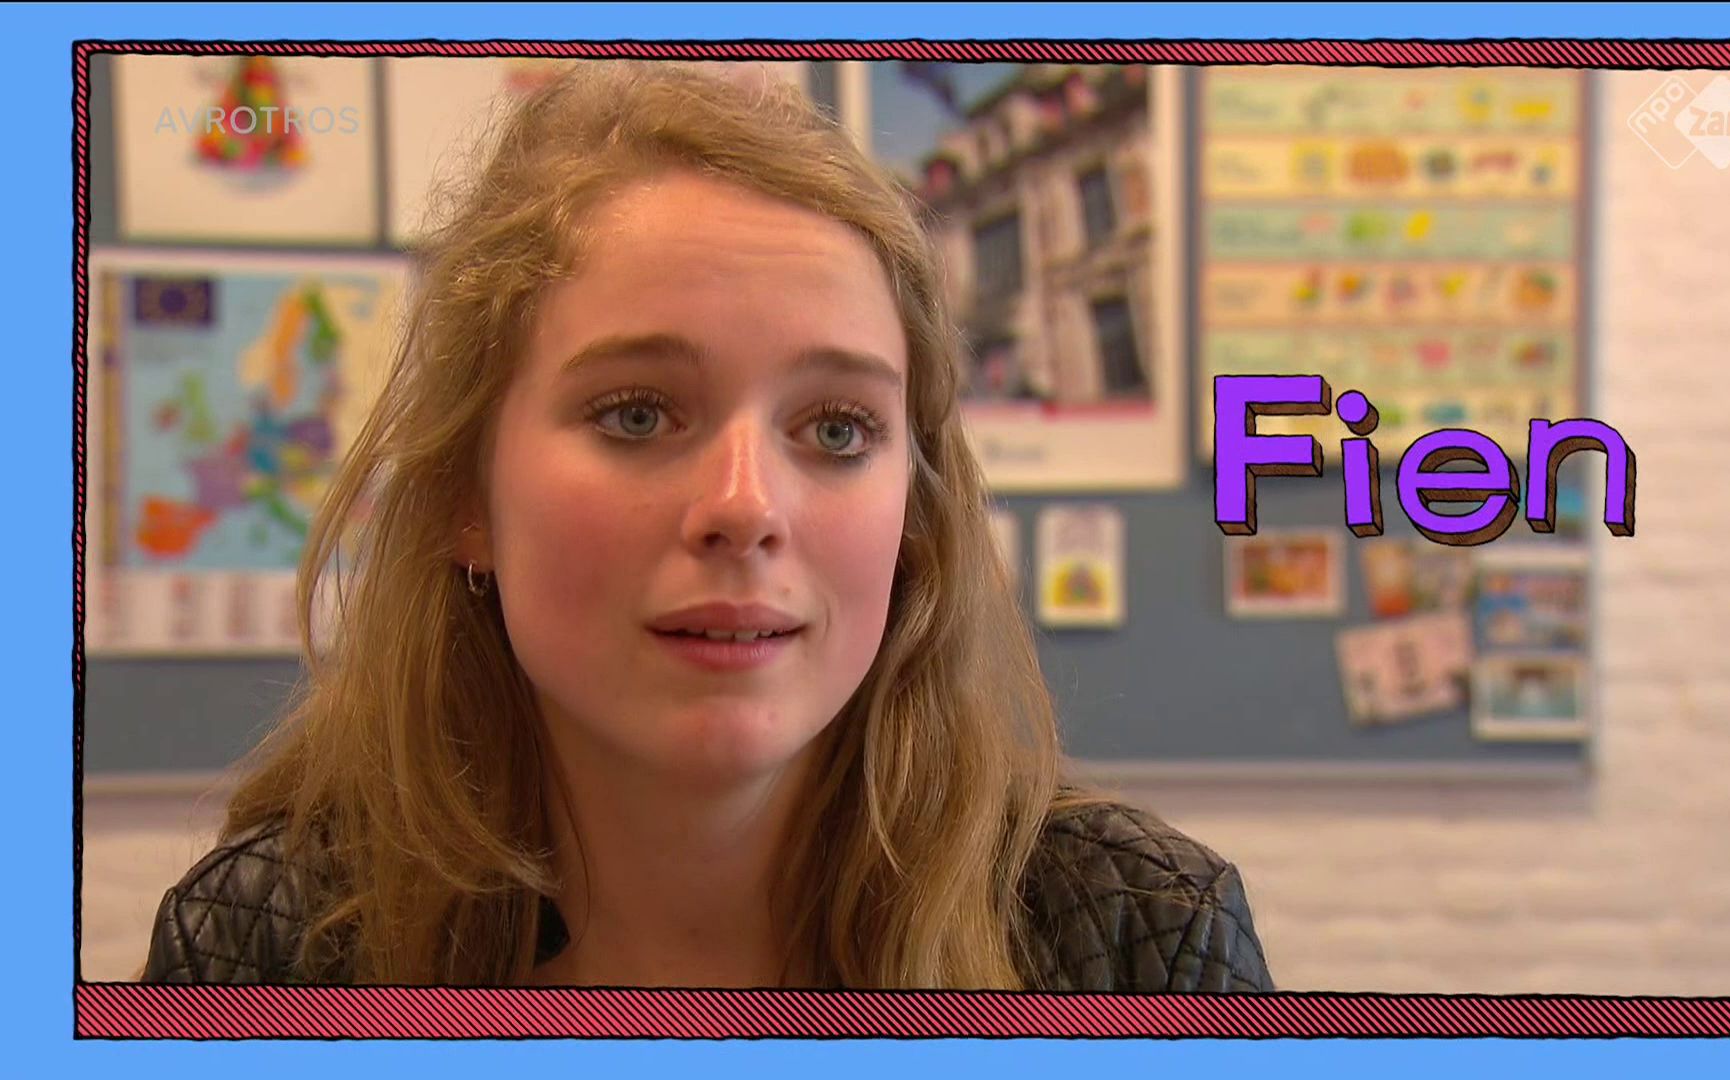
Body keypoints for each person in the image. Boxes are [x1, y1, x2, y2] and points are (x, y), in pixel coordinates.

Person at [137, 61, 1272, 992]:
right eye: (636, 414)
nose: (746, 506)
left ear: (915, 518)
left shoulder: (1139, 940)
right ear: (463, 501)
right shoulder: (268, 948)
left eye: (837, 429)